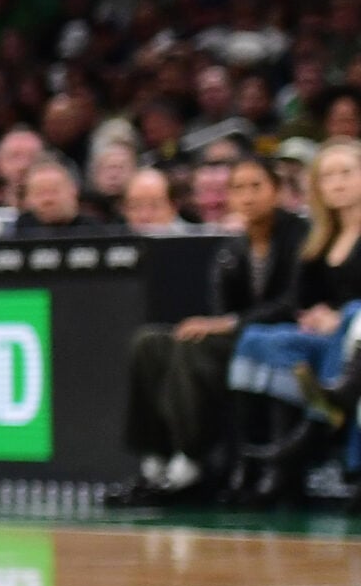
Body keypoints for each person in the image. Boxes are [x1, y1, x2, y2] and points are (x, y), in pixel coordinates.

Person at [120, 157, 305, 502]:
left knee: (194, 346)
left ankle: (190, 459)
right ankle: (155, 458)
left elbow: (292, 302)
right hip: (236, 336)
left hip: (275, 337)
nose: (247, 197)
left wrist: (228, 323)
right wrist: (220, 324)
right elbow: (220, 306)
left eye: (256, 186)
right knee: (150, 342)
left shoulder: (298, 236)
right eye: (238, 188)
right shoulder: (232, 249)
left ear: (276, 191)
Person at [227, 138, 361, 500]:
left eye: (346, 172)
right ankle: (254, 458)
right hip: (327, 336)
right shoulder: (319, 237)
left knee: (353, 315)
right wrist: (314, 315)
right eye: (328, 175)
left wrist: (338, 317)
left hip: (354, 337)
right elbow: (302, 300)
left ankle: (317, 427)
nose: (338, 182)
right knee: (259, 339)